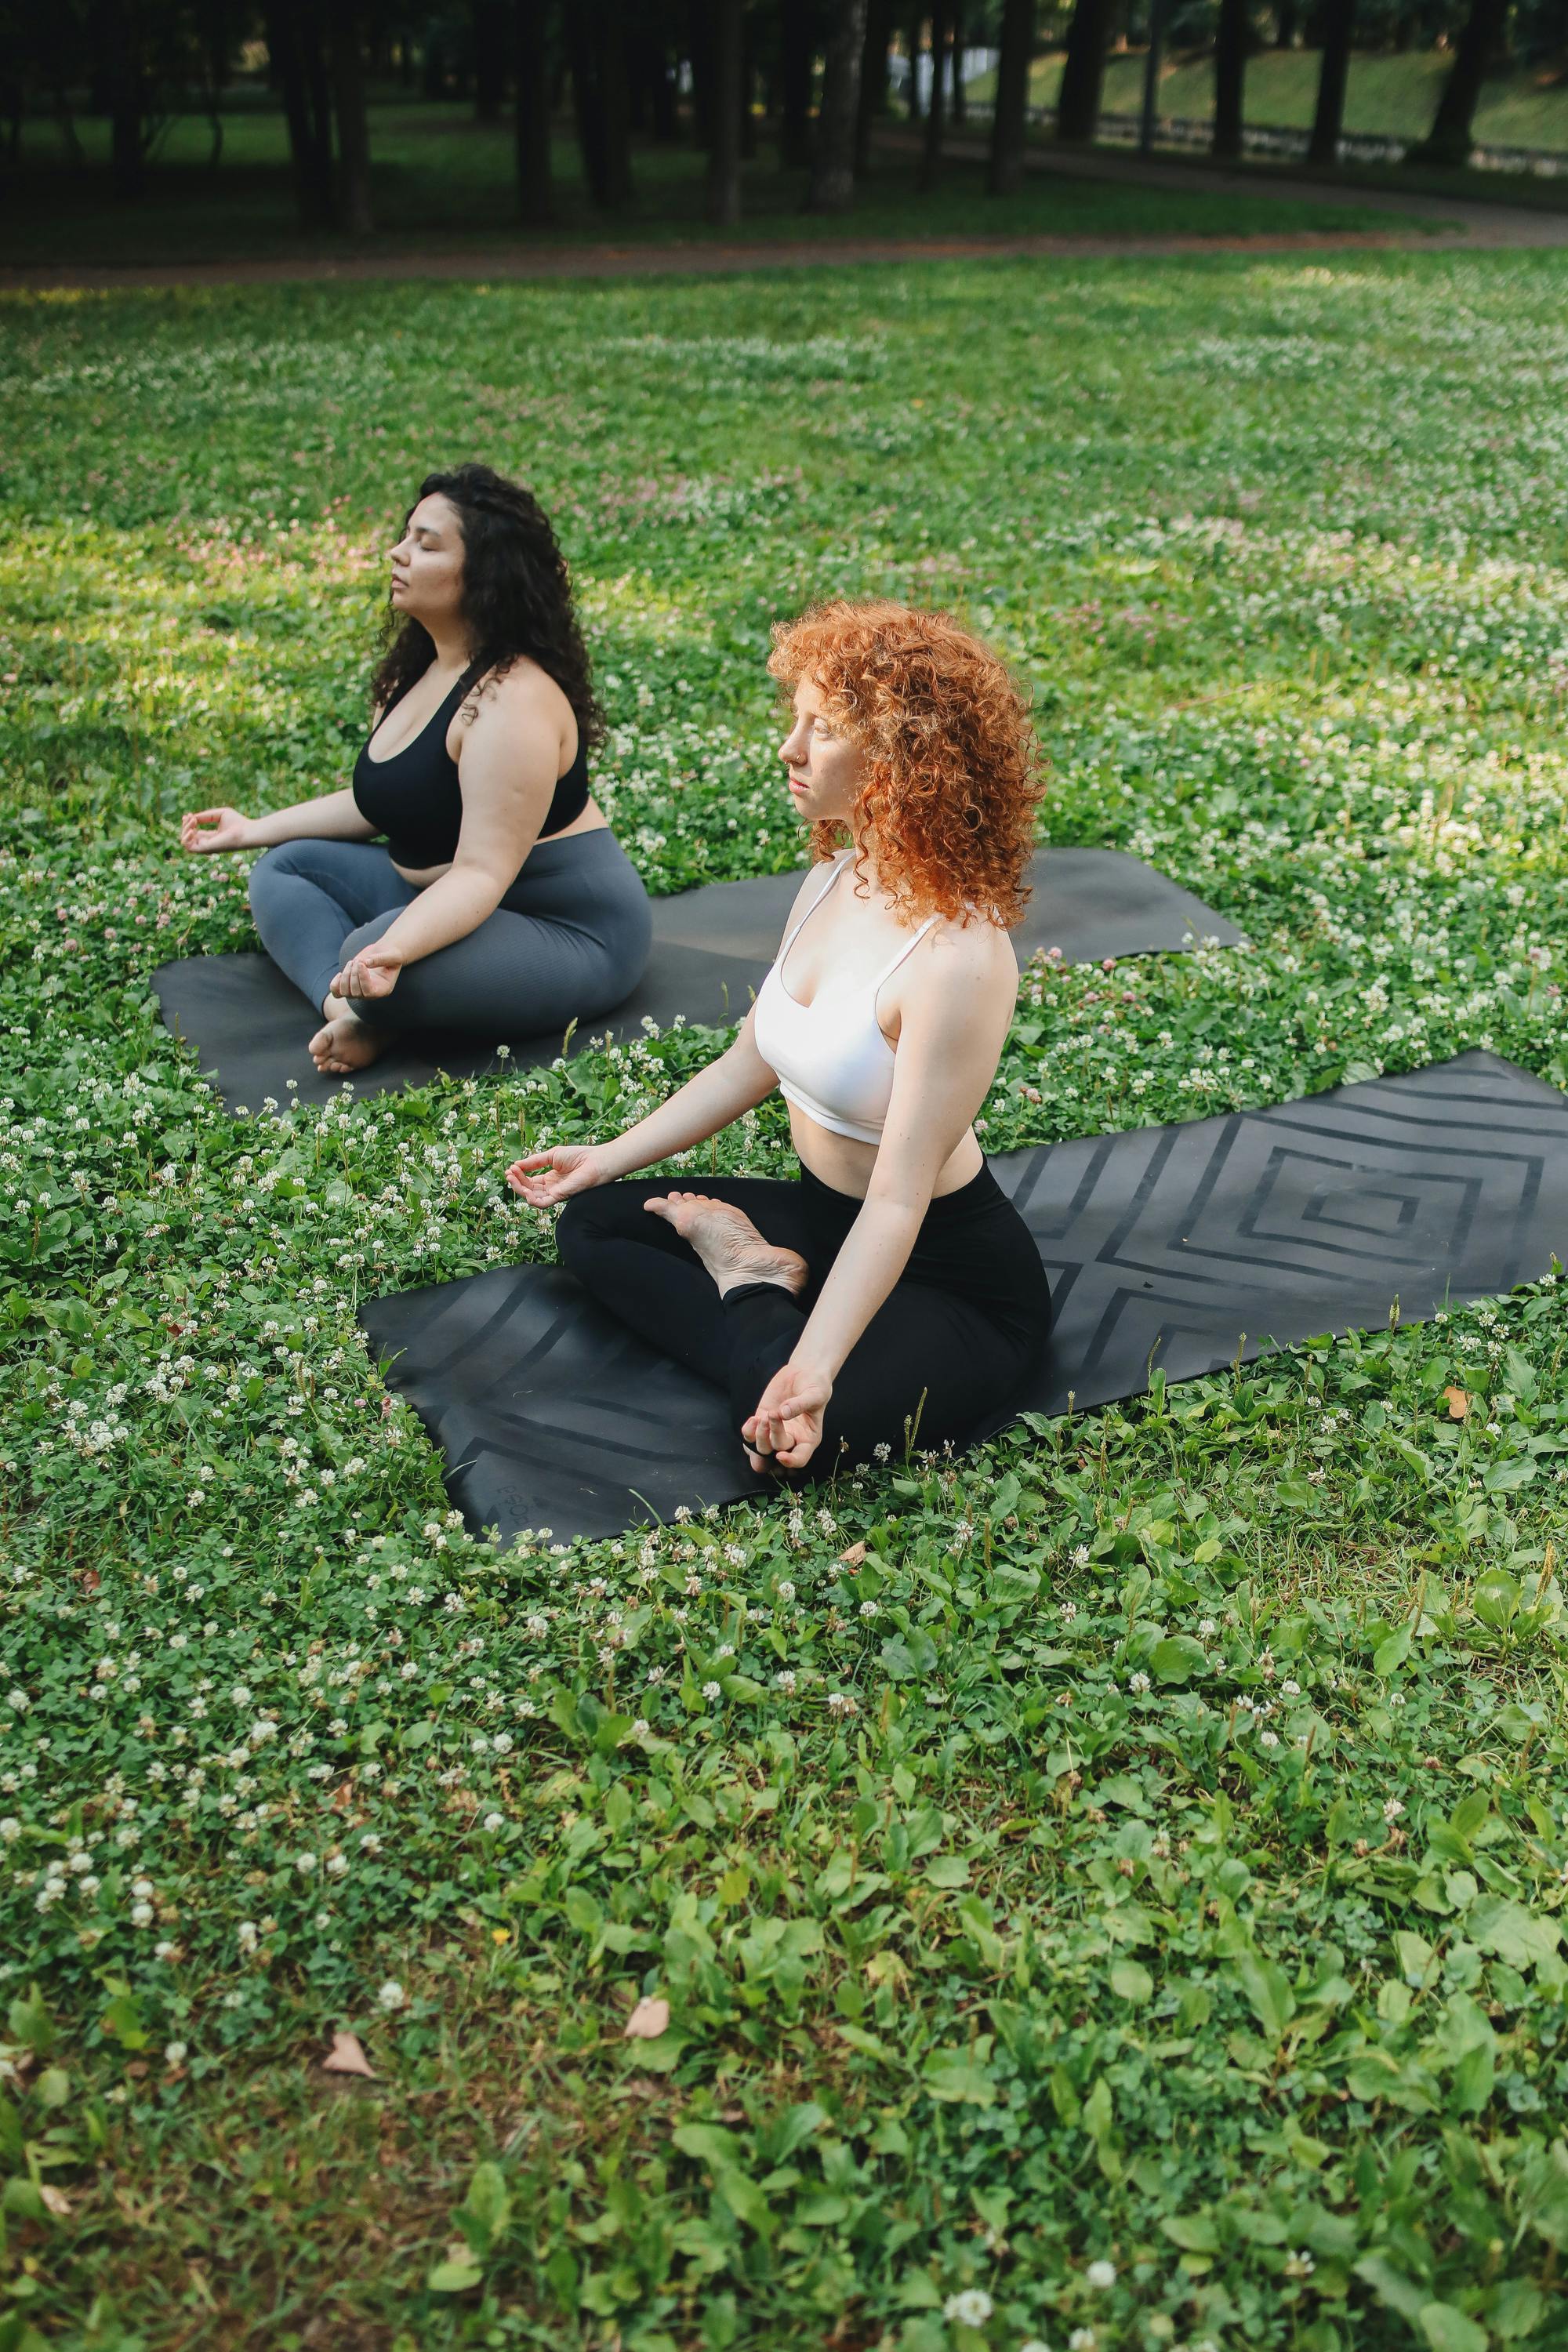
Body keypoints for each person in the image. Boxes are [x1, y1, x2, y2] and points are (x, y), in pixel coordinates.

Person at [505, 598, 1053, 1482]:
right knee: (598, 1225)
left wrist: (818, 1368)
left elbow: (898, 1201)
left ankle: (751, 1286)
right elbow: (747, 1062)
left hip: (947, 1272)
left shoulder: (957, 959)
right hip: (829, 1223)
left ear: (902, 762)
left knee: (800, 1443)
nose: (788, 750)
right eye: (793, 721)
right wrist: (606, 1157)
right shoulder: (832, 879)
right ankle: (765, 1289)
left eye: (822, 730)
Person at [179, 463, 651, 1075]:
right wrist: (254, 828)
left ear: (485, 573)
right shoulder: (423, 668)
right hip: (444, 891)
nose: (398, 555)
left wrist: (391, 948)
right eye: (405, 536)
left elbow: (482, 873)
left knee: (368, 951)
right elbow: (388, 802)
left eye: (425, 544)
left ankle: (375, 1004)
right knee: (286, 869)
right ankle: (349, 1011)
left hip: (560, 927)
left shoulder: (512, 701)